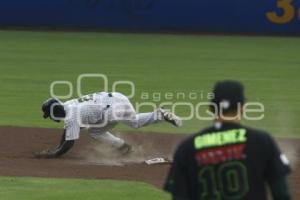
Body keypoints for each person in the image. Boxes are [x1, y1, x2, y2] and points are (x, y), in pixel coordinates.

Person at [164, 80, 291, 200]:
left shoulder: (187, 148)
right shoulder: (262, 141)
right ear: (242, 108)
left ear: (211, 108)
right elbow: (281, 194)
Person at [34, 91, 182, 158]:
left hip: (111, 109)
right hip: (118, 97)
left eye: (50, 114)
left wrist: (55, 153)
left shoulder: (71, 115)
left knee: (94, 131)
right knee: (135, 122)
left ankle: (123, 147)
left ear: (55, 110)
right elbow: (68, 132)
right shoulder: (68, 106)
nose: (51, 118)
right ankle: (159, 114)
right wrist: (57, 149)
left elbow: (69, 143)